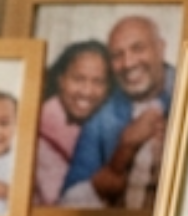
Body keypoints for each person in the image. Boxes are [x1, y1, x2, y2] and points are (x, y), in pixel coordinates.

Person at [61, 14, 175, 206]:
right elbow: (68, 205)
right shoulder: (102, 116)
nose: (128, 63)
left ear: (160, 48)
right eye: (117, 55)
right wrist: (125, 148)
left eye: (138, 49)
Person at [35, 40, 113, 206]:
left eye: (98, 82)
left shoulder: (106, 124)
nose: (87, 91)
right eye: (78, 79)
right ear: (61, 80)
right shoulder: (38, 131)